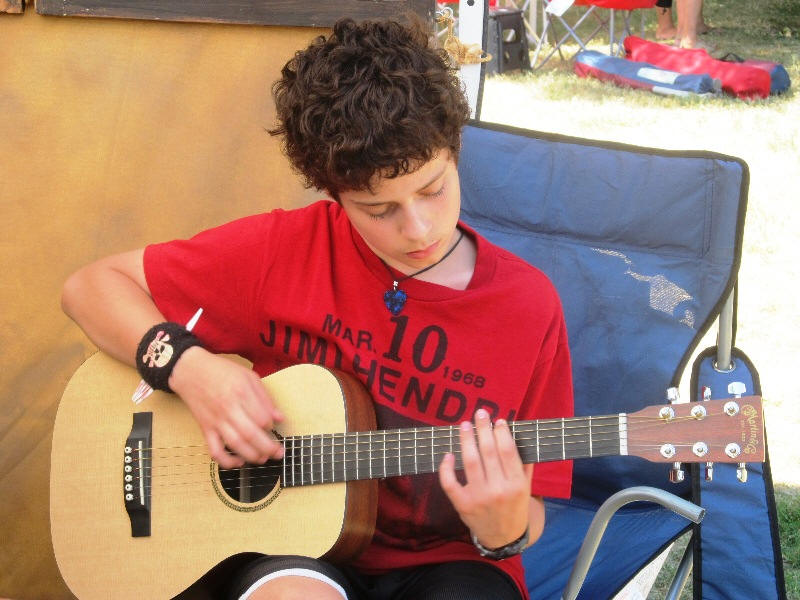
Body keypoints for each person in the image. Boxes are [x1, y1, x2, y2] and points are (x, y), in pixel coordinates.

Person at [61, 16, 573, 600]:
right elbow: (90, 287)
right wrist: (188, 367)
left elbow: (532, 507)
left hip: (449, 562)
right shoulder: (284, 250)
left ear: (455, 150)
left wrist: (505, 529)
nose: (418, 228)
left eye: (433, 189)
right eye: (378, 210)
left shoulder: (527, 306)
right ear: (333, 194)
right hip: (288, 545)